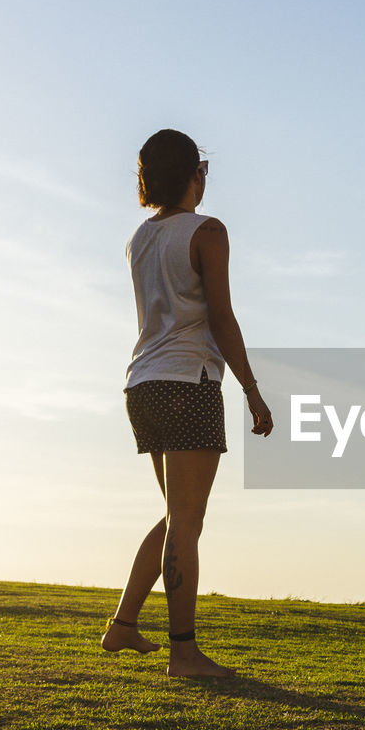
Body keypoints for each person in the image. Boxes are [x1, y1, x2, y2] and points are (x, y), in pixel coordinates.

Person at [102, 129, 272, 676]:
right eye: (203, 169)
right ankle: (184, 652)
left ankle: (123, 627)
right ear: (193, 174)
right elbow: (221, 318)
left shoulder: (139, 239)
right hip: (188, 382)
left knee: (177, 516)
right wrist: (252, 389)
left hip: (143, 384)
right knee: (186, 522)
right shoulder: (207, 232)